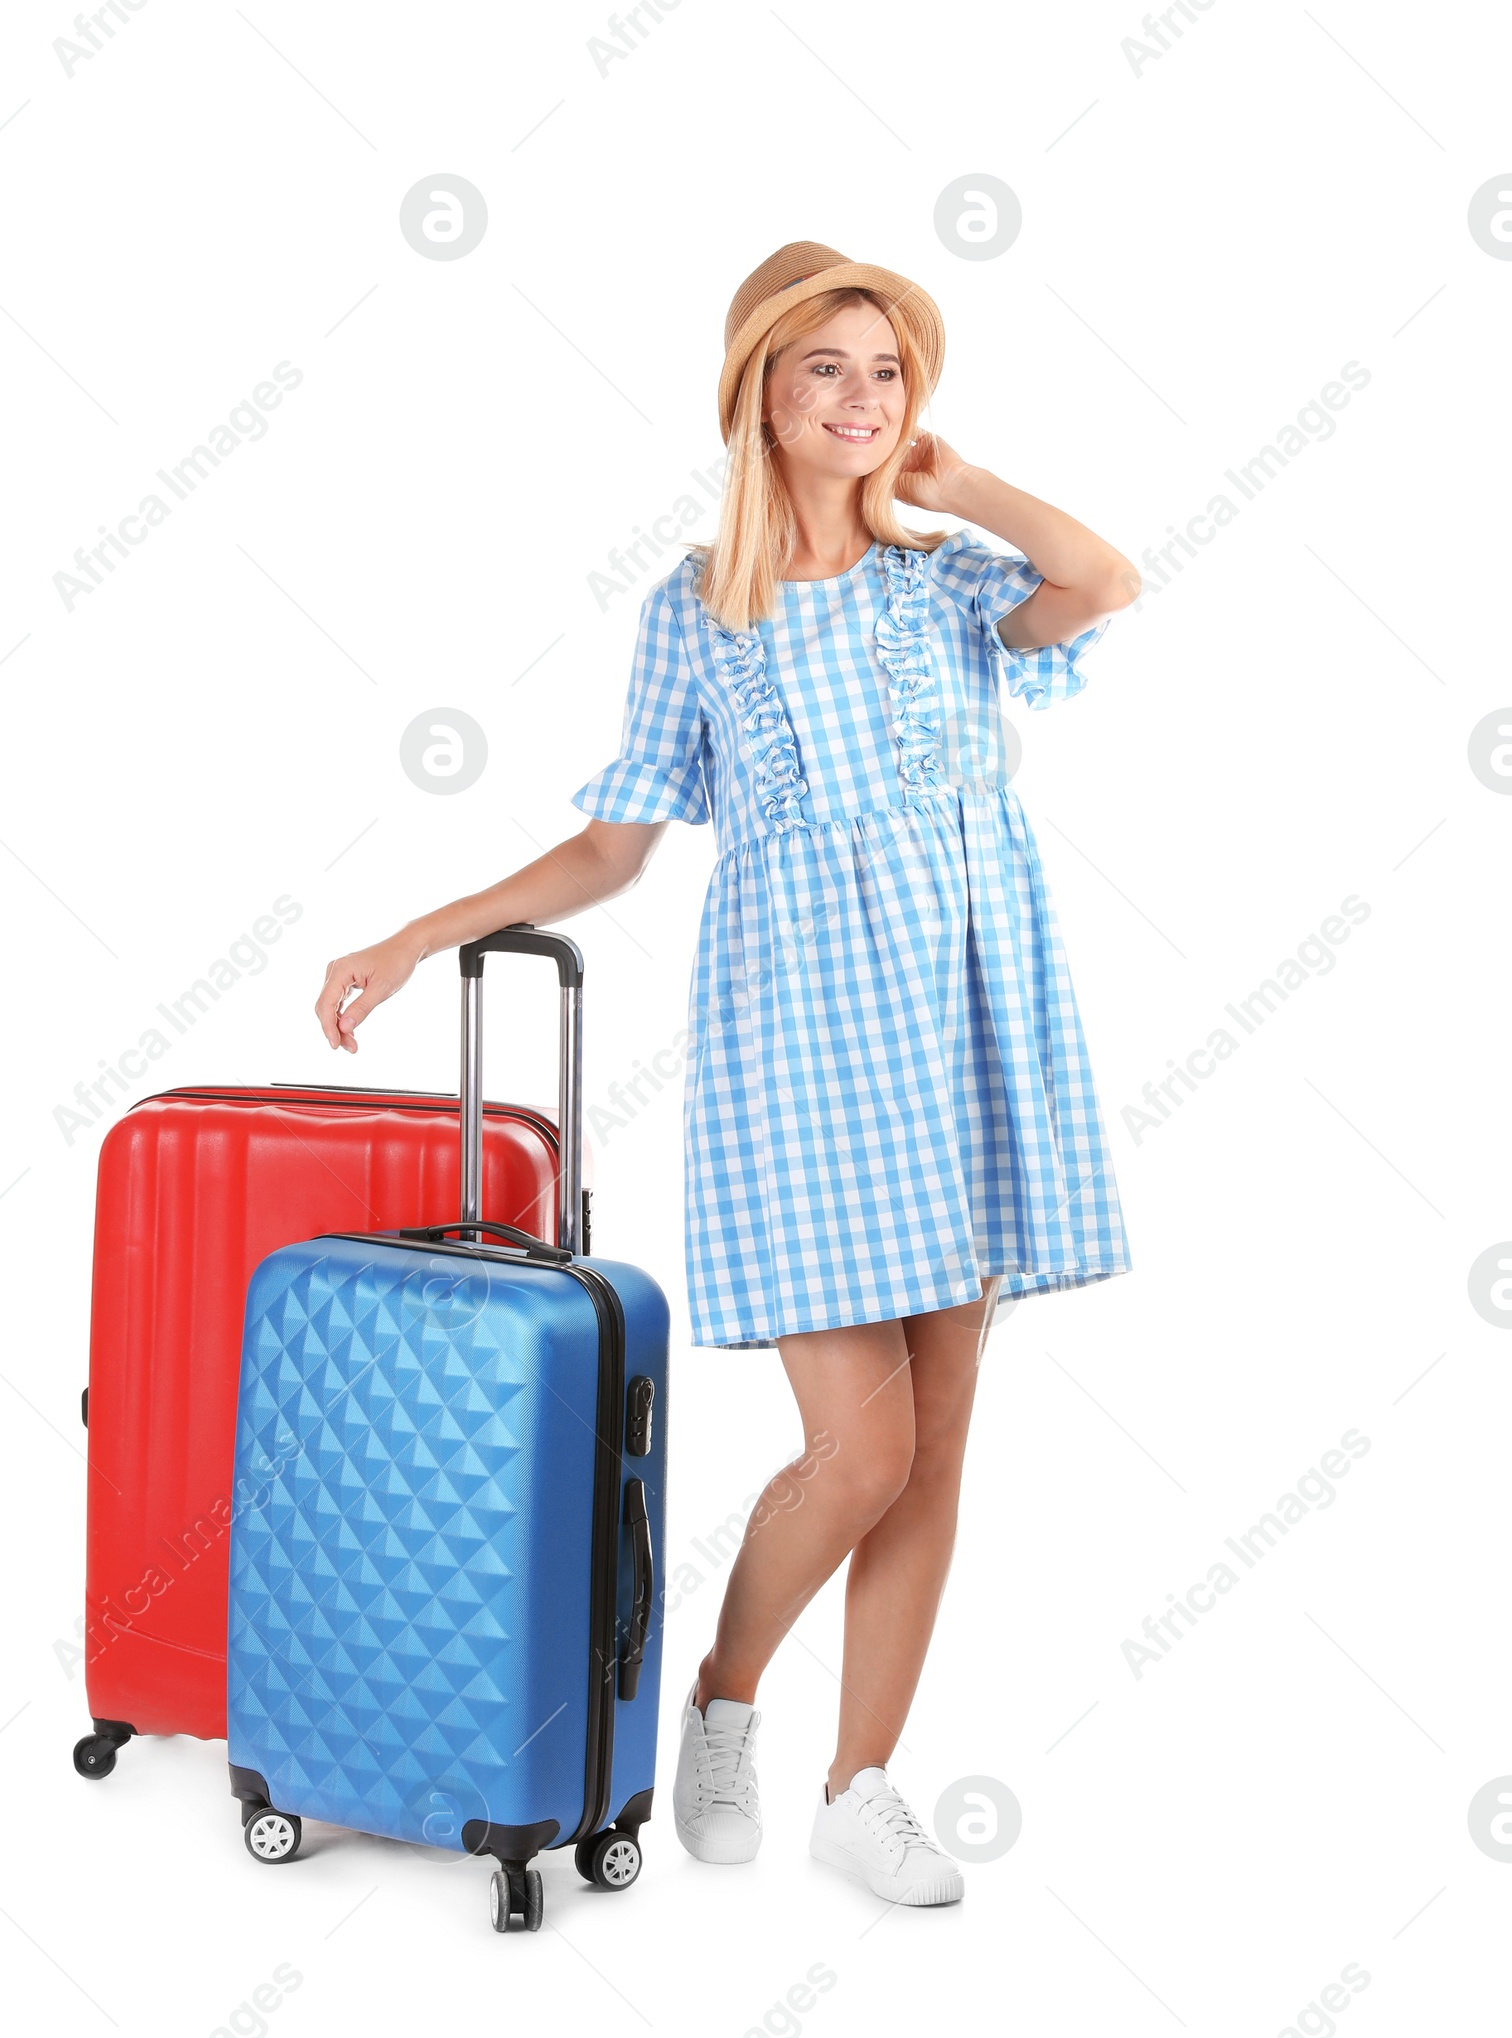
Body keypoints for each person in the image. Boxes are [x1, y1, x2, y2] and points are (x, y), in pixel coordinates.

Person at [314, 241, 1137, 1908]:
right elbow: (615, 846)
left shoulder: (944, 582)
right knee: (862, 1449)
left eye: (889, 371)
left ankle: (864, 1783)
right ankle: (722, 1697)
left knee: (942, 1442)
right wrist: (420, 927)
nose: (859, 400)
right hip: (804, 1056)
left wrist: (955, 478)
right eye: (825, 367)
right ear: (760, 385)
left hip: (968, 1028)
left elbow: (1103, 578)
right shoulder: (700, 612)